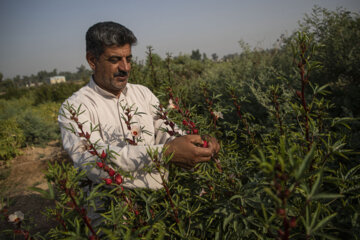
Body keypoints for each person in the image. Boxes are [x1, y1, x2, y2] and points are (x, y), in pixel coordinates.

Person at [58, 21, 220, 190]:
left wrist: (197, 143)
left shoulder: (143, 94)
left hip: (160, 204)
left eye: (128, 59)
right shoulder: (74, 108)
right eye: (114, 60)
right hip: (112, 210)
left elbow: (167, 132)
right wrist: (164, 153)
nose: (125, 68)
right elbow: (92, 162)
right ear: (92, 60)